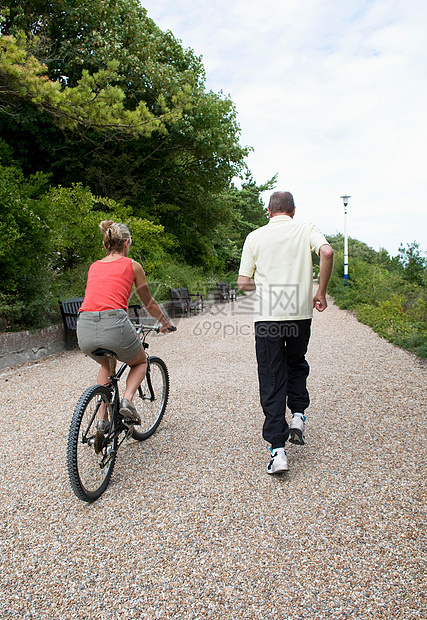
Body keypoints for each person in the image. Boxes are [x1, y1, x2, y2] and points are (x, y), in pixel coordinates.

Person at [237, 191, 334, 474]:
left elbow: (243, 282)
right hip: (300, 314)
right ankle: (298, 416)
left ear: (269, 212)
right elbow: (326, 251)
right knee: (296, 362)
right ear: (292, 210)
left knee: (271, 373)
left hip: (268, 316)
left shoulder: (254, 237)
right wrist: (321, 292)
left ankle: (278, 451)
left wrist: (267, 292)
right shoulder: (306, 229)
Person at [77, 220, 174, 425]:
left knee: (106, 362)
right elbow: (147, 302)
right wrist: (165, 322)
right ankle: (127, 400)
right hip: (114, 324)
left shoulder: (94, 266)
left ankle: (102, 419)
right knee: (140, 361)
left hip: (84, 326)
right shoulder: (132, 265)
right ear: (127, 243)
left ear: (105, 245)